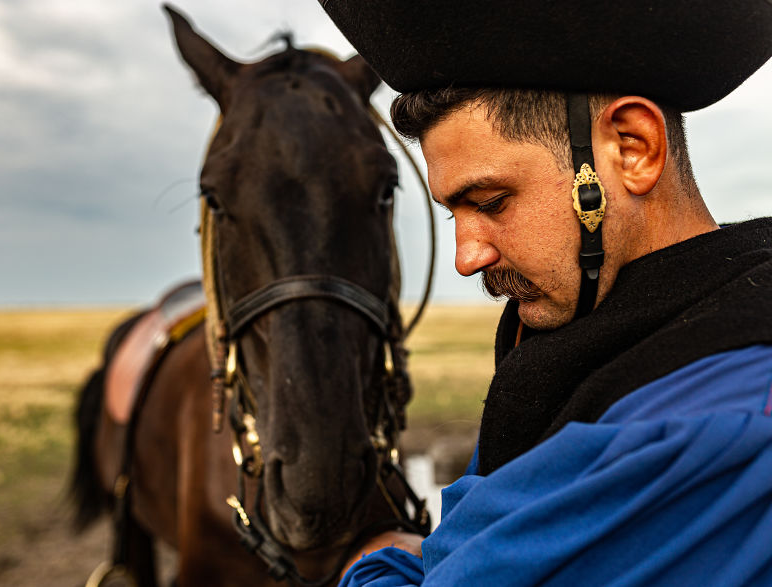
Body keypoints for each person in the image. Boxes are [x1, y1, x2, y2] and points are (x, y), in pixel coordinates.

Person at [318, 1, 772, 585]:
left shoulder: (722, 420)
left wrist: (378, 561)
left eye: (490, 203)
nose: (466, 257)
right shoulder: (584, 342)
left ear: (633, 148)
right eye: (454, 212)